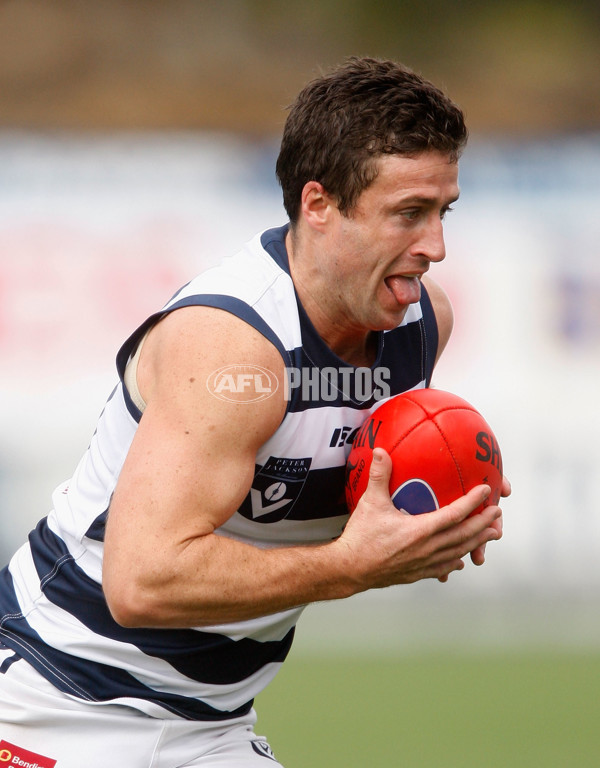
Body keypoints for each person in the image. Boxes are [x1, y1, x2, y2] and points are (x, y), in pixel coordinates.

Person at [0, 57, 508, 767]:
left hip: (210, 726)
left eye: (443, 212)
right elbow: (141, 582)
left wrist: (446, 510)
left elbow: (355, 473)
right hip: (58, 702)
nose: (436, 247)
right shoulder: (233, 347)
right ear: (319, 204)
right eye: (408, 214)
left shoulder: (422, 327)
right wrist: (353, 566)